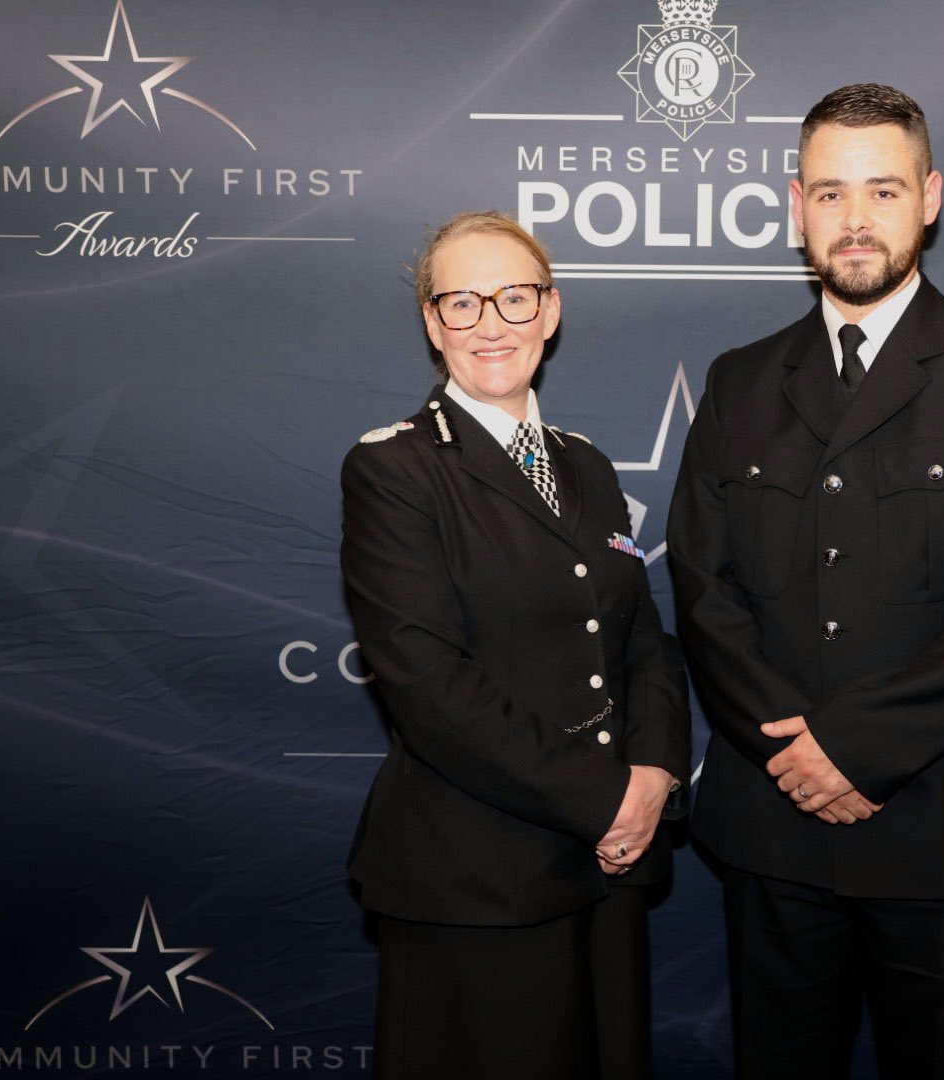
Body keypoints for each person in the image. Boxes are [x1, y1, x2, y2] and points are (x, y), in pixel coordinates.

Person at [667, 84, 944, 1079]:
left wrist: (852, 750)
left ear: (929, 199)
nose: (855, 222)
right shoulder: (739, 380)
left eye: (883, 191)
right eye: (830, 193)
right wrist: (797, 756)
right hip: (778, 825)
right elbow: (703, 583)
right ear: (795, 203)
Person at [341, 210, 690, 1080]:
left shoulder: (588, 465)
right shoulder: (395, 469)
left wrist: (654, 778)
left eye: (514, 297)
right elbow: (426, 682)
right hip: (476, 877)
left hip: (608, 872)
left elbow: (643, 638)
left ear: (551, 310)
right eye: (462, 302)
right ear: (432, 322)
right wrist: (607, 798)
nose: (490, 323)